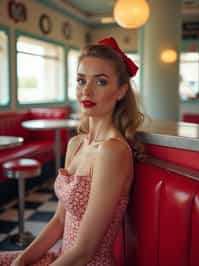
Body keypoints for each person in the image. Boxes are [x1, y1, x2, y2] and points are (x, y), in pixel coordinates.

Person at [0, 37, 144, 266]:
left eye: (101, 82)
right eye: (81, 80)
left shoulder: (113, 152)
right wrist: (21, 260)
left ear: (121, 91)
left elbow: (84, 252)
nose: (86, 90)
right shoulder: (75, 144)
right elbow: (59, 220)